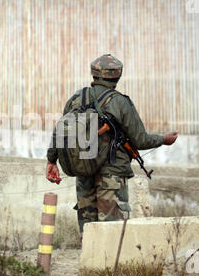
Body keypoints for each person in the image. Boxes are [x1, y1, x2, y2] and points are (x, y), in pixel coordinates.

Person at [46, 54, 178, 234]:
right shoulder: (120, 102)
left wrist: (51, 160)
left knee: (89, 229)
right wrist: (163, 139)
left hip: (84, 169)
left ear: (94, 74)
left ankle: (89, 261)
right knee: (112, 231)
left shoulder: (77, 98)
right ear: (117, 76)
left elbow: (62, 130)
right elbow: (141, 140)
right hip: (112, 174)